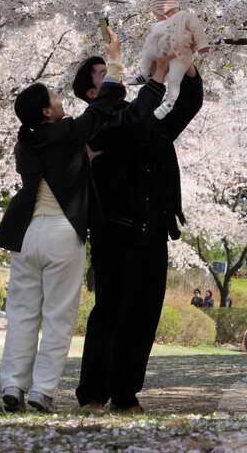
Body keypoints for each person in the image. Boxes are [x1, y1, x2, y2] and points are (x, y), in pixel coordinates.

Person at [0, 29, 167, 414]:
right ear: (47, 112)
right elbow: (105, 104)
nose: (60, 100)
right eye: (55, 99)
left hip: (26, 236)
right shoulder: (71, 133)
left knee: (22, 313)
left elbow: (58, 169)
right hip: (60, 233)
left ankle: (12, 384)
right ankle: (41, 391)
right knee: (58, 316)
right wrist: (116, 62)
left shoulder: (26, 145)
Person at [73, 26, 203, 415]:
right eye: (103, 73)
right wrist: (159, 77)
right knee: (110, 314)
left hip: (154, 231)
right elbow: (130, 124)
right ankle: (94, 394)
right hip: (117, 230)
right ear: (92, 92)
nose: (115, 73)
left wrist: (185, 64)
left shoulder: (144, 117)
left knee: (144, 318)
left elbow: (187, 106)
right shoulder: (95, 126)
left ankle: (126, 394)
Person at [125, 0, 209, 119]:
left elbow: (197, 30)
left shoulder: (186, 17)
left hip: (181, 56)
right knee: (147, 54)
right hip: (161, 51)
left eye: (155, 13)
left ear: (161, 10)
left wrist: (202, 45)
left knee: (173, 79)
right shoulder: (161, 24)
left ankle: (169, 102)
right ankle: (144, 72)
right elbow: (152, 38)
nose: (155, 17)